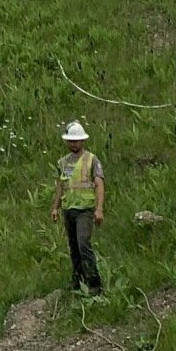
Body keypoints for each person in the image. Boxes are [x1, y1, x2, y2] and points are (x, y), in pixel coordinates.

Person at [52, 119, 104, 292]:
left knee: (84, 244)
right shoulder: (63, 162)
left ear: (83, 141)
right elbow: (61, 185)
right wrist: (55, 207)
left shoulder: (92, 160)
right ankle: (78, 280)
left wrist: (99, 209)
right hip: (69, 209)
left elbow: (99, 184)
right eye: (70, 141)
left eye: (76, 140)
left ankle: (94, 283)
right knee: (73, 246)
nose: (73, 144)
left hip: (85, 210)